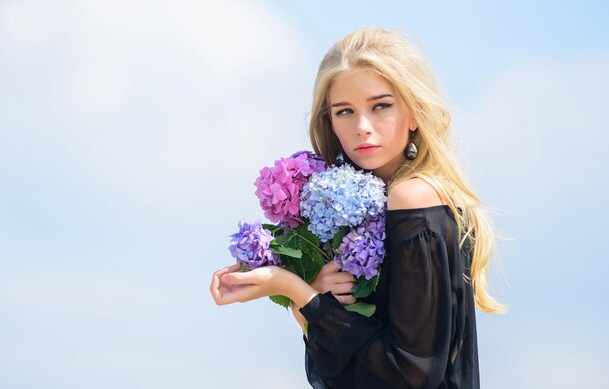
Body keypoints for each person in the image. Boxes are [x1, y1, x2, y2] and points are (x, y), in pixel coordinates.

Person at [210, 27, 506, 388]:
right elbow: (340, 372)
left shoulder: (414, 197)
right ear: (330, 122)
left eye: (381, 106)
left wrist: (291, 287)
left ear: (415, 112)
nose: (362, 127)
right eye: (345, 111)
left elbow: (408, 375)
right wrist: (310, 295)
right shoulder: (367, 211)